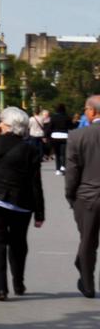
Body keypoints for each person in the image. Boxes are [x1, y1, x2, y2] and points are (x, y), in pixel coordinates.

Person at [0, 106, 46, 300]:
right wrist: (40, 213)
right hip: (20, 201)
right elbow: (36, 183)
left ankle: (0, 289)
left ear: (7, 125)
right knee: (18, 243)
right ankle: (18, 282)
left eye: (0, 122)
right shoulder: (31, 150)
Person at [69, 95, 100, 299]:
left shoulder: (77, 136)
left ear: (92, 111)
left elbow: (72, 172)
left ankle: (88, 285)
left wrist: (71, 196)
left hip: (88, 197)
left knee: (88, 242)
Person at [54, 104, 74, 174]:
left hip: (55, 136)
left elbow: (50, 127)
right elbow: (71, 127)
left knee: (57, 154)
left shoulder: (54, 117)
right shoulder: (67, 117)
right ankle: (63, 166)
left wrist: (47, 135)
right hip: (64, 136)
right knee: (64, 153)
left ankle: (57, 169)